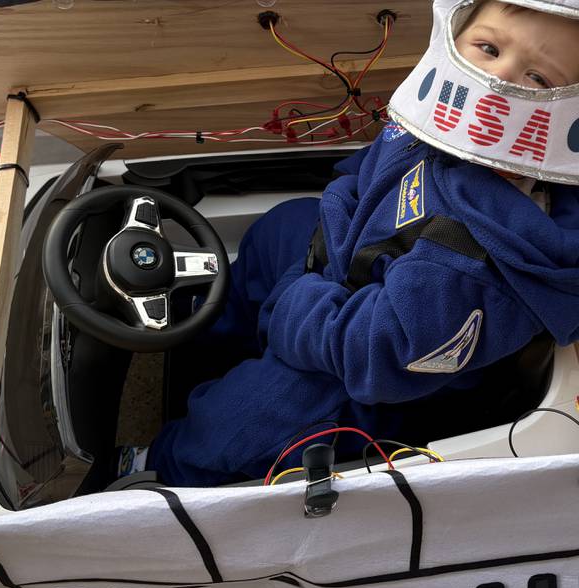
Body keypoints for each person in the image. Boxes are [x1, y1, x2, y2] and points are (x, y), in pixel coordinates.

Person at [120, 0, 579, 486]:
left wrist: (295, 296)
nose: (498, 79)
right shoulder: (438, 121)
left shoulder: (476, 262)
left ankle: (157, 468)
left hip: (369, 377)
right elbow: (360, 177)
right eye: (488, 47)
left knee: (240, 424)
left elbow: (371, 355)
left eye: (538, 79)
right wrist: (318, 260)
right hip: (346, 279)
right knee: (281, 227)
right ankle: (209, 352)